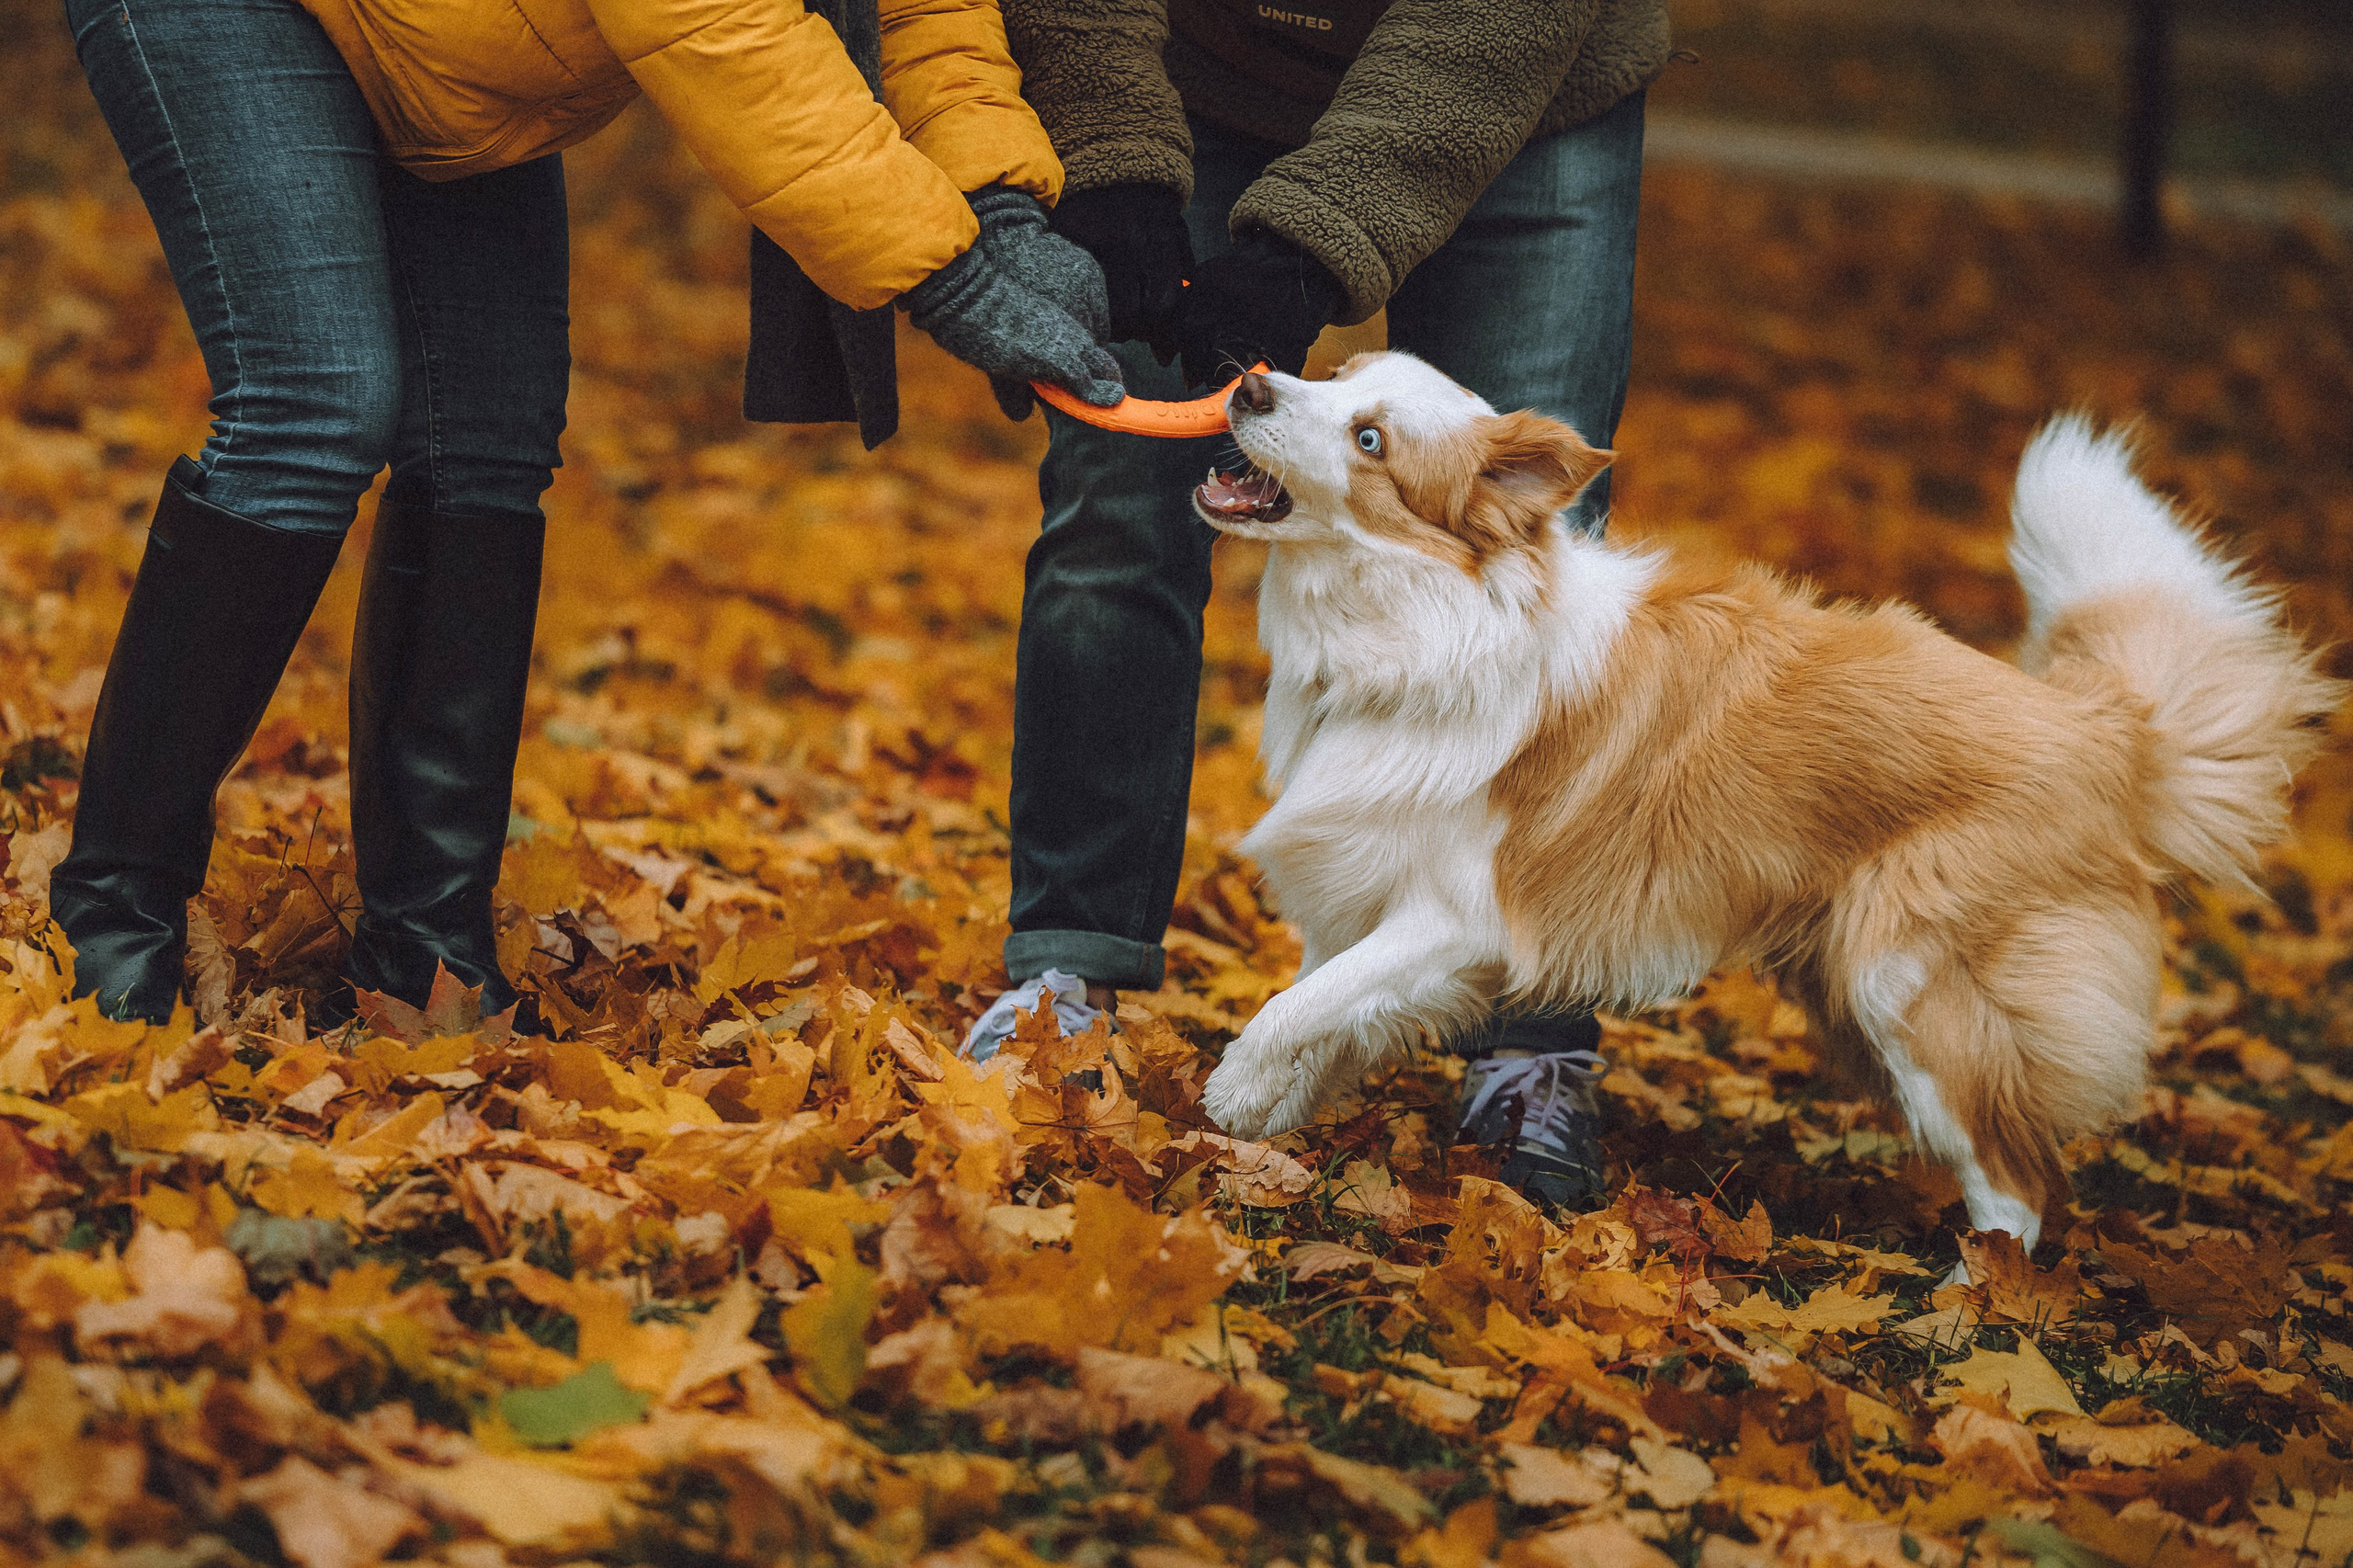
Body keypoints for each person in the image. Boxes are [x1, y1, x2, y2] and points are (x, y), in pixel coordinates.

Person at [53, 0, 1120, 1026]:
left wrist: (999, 207)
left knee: (488, 443)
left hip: (460, 63)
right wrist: (954, 279)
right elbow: (712, 21)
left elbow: (916, 12)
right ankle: (114, 916)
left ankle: (426, 948)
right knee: (317, 404)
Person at [963, 0, 1671, 1209]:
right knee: (1114, 518)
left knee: (1534, 552)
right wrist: (1117, 167)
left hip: (1522, 77)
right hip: (1189, 79)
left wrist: (1306, 247)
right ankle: (1064, 975)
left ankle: (1529, 1038)